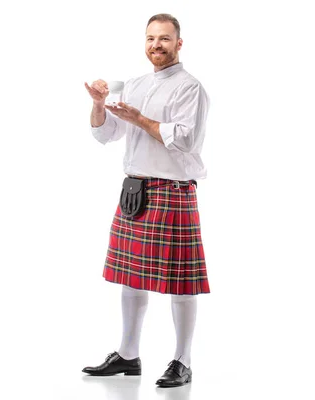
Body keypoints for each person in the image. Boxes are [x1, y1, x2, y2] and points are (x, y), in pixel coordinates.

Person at [82, 13, 211, 388]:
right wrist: (100, 104)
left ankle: (182, 361)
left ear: (179, 44)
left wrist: (139, 119)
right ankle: (128, 354)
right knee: (130, 280)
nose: (156, 45)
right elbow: (105, 134)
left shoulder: (190, 88)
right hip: (135, 191)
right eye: (151, 38)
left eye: (165, 39)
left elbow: (186, 140)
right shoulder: (135, 84)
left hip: (172, 192)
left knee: (180, 283)